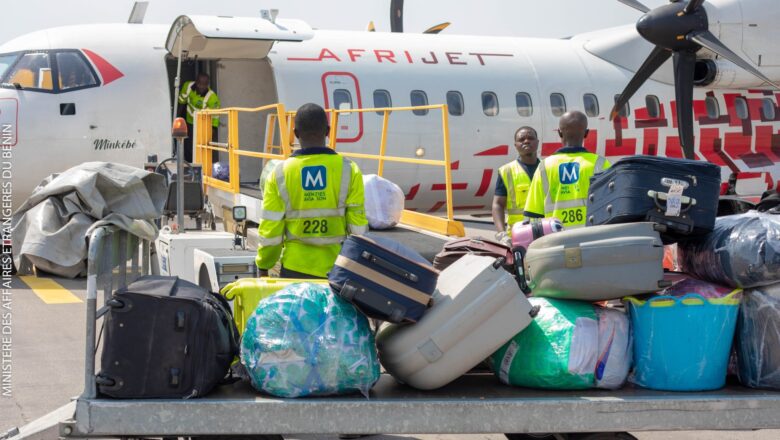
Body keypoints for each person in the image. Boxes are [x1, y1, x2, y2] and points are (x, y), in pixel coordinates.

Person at [256, 103, 368, 279]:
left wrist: (264, 265)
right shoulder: (349, 170)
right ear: (328, 131)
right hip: (336, 270)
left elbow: (271, 230)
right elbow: (358, 227)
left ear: (296, 134)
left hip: (295, 269)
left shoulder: (279, 174)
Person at [523, 110, 610, 228]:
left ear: (559, 133)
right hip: (591, 237)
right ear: (586, 133)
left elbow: (533, 213)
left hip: (555, 239)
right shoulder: (600, 164)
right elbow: (609, 207)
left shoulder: (544, 167)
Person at [492, 126, 540, 238]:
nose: (526, 141)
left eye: (530, 138)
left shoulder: (547, 168)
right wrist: (501, 233)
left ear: (537, 142)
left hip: (544, 232)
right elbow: (498, 204)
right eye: (521, 139)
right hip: (518, 235)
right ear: (515, 145)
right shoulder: (506, 171)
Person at [177, 72, 220, 163]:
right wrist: (177, 118)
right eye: (200, 83)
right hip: (189, 122)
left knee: (199, 147)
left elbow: (215, 118)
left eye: (205, 84)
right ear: (196, 81)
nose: (202, 86)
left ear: (208, 84)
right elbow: (181, 102)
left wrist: (212, 132)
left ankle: (198, 166)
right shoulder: (188, 86)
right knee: (187, 145)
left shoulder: (212, 98)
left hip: (202, 125)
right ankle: (188, 165)